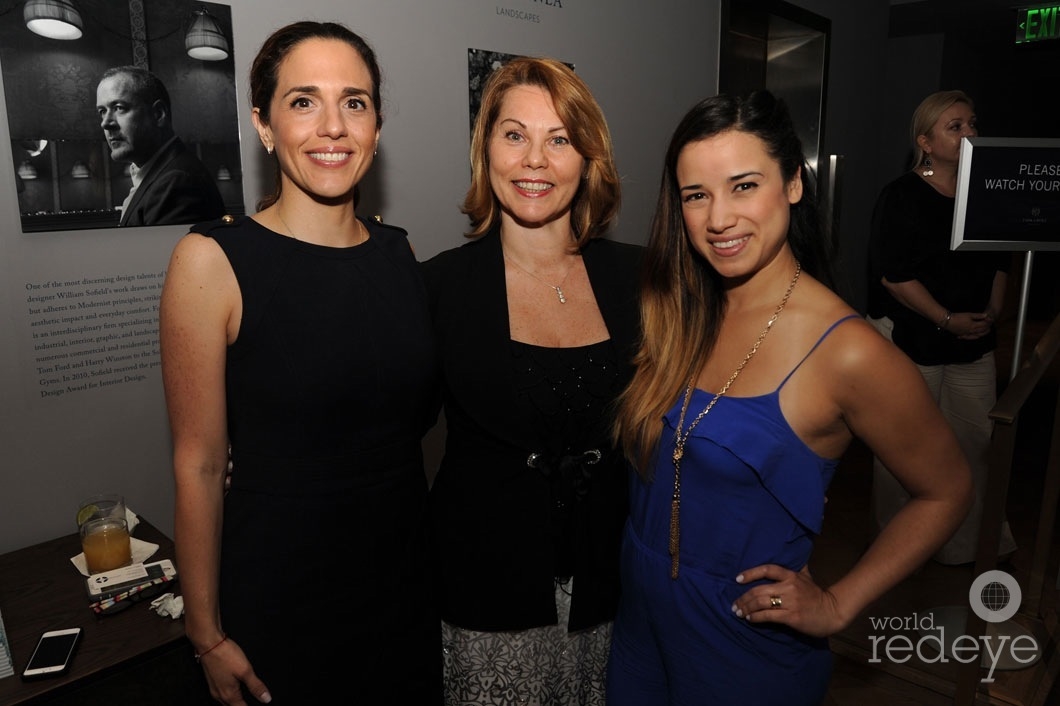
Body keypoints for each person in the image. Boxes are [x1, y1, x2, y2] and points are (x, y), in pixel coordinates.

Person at [605, 89, 973, 705]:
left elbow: (948, 489)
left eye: (744, 185)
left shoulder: (847, 352)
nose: (718, 218)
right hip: (639, 624)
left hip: (740, 645)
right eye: (697, 195)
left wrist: (838, 603)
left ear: (794, 185)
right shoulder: (680, 309)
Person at [159, 22, 441, 705]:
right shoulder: (212, 262)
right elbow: (198, 465)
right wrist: (207, 634)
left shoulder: (400, 254)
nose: (333, 127)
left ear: (376, 126)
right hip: (282, 599)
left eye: (355, 102)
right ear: (263, 126)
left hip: (404, 589)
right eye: (303, 101)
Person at [420, 56, 643, 705]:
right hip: (487, 599)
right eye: (514, 134)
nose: (535, 160)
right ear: (485, 149)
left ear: (589, 158)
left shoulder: (641, 280)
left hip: (612, 595)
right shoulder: (439, 288)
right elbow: (381, 436)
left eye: (559, 139)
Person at [867, 89, 1017, 566]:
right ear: (926, 142)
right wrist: (946, 320)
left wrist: (991, 312)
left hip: (974, 342)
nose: (970, 132)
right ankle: (899, 549)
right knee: (904, 448)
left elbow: (1000, 260)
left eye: (973, 123)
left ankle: (968, 544)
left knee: (975, 443)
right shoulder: (901, 195)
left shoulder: (986, 192)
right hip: (915, 340)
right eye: (956, 126)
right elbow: (894, 274)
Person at [96, 65, 225, 226]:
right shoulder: (160, 173)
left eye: (119, 108)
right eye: (102, 111)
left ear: (158, 114)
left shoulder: (176, 182)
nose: (105, 123)